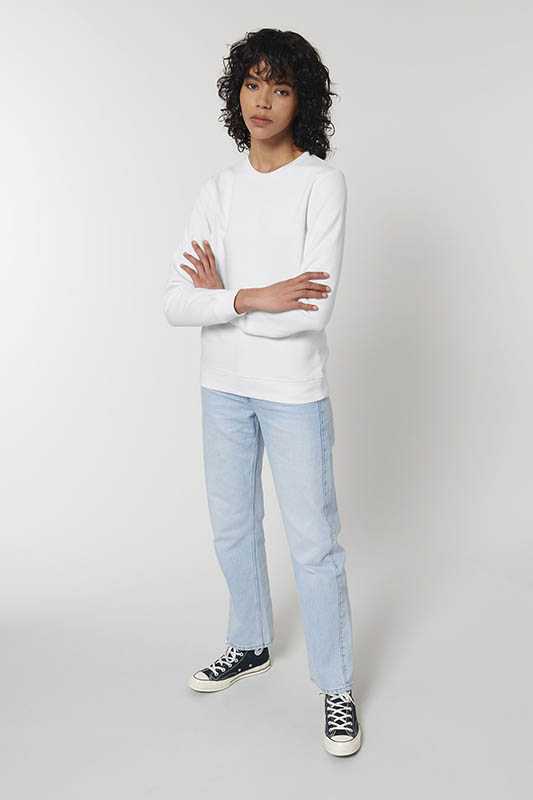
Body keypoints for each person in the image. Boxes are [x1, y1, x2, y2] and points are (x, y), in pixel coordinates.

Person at [163, 28, 361, 757]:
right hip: (222, 389)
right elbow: (175, 301)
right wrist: (252, 297)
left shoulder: (321, 184)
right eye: (252, 84)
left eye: (280, 88)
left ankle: (335, 685)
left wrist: (223, 302)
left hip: (292, 393)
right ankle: (249, 643)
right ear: (235, 93)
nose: (263, 101)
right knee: (233, 529)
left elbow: (312, 311)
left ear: (302, 101)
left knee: (314, 544)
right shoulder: (217, 191)